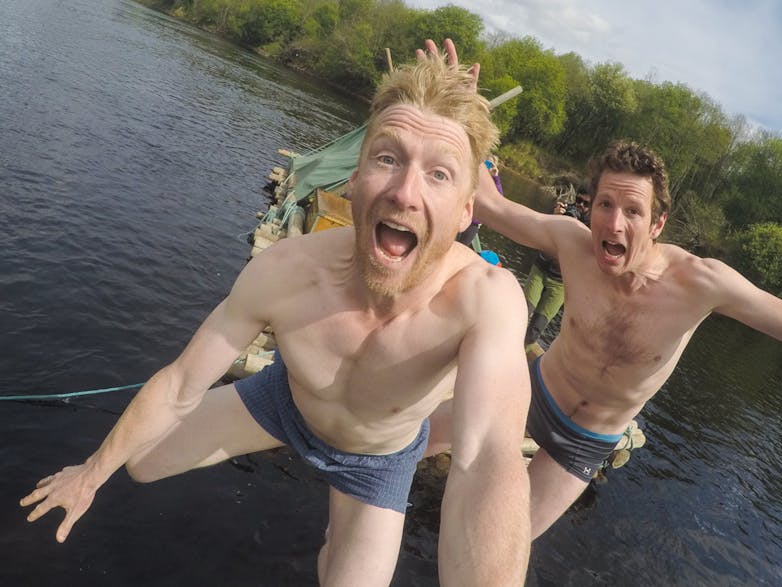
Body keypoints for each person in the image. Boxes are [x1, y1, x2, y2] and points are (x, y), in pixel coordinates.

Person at [21, 40, 532, 586]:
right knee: (141, 464)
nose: (405, 192)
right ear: (353, 179)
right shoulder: (288, 270)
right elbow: (178, 386)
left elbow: (485, 462)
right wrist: (89, 474)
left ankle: (343, 529)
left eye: (439, 174)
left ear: (465, 212)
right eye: (387, 157)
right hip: (286, 403)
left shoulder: (486, 300)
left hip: (378, 457)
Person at [474, 139, 782, 539]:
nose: (614, 223)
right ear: (591, 206)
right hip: (532, 391)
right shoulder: (570, 240)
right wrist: (458, 116)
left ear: (657, 224)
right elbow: (492, 206)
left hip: (583, 444)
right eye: (605, 205)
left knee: (501, 547)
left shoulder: (699, 283)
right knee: (415, 436)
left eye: (633, 211)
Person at [523, 185, 590, 346]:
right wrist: (555, 217)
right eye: (578, 200)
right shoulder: (565, 212)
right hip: (541, 268)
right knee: (524, 311)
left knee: (535, 329)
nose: (580, 205)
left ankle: (520, 354)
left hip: (561, 282)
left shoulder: (593, 226)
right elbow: (542, 230)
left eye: (586, 204)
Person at [456, 155, 502, 247]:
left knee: (462, 246)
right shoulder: (473, 174)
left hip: (474, 223)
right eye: (485, 163)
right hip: (459, 215)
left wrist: (495, 177)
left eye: (490, 164)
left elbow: (499, 198)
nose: (487, 167)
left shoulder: (493, 183)